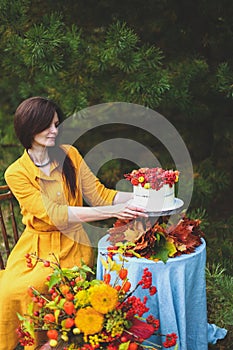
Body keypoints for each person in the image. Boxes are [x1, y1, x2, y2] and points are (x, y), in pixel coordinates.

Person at [0, 96, 147, 350]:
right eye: (48, 125)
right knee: (10, 291)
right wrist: (112, 211)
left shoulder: (70, 155)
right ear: (29, 127)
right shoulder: (16, 172)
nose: (55, 131)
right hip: (34, 248)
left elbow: (101, 194)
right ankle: (34, 341)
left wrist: (145, 195)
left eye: (56, 124)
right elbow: (54, 213)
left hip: (72, 245)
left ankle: (50, 341)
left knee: (34, 287)